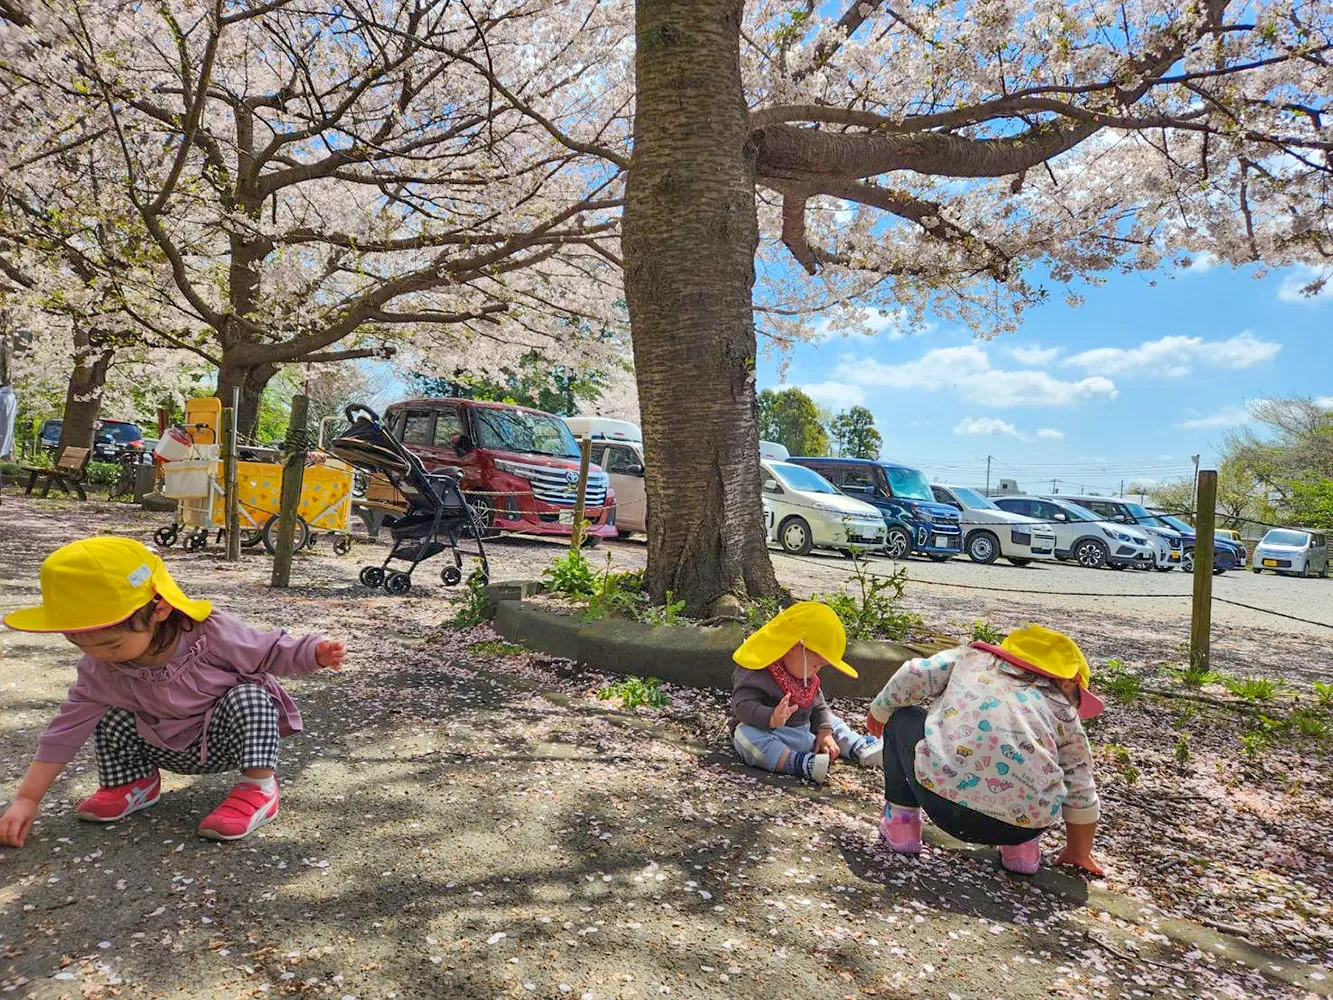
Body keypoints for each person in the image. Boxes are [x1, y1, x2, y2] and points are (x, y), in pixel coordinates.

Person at [0, 537, 344, 847]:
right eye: (81, 644)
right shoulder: (100, 668)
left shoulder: (210, 633)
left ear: (159, 610)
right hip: (160, 744)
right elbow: (65, 730)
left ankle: (259, 790)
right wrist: (27, 800)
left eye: (112, 644)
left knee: (251, 696)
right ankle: (133, 782)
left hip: (222, 742)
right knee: (102, 707)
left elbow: (267, 650)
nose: (100, 656)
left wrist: (313, 653)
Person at [866, 624, 1104, 876]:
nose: (1076, 708)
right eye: (1079, 698)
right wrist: (1079, 851)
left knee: (902, 716)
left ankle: (902, 823)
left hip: (941, 802)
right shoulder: (1064, 712)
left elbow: (913, 673)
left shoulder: (970, 659)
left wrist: (879, 710)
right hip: (1021, 826)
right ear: (1070, 681)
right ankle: (1021, 850)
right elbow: (1081, 786)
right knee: (1032, 764)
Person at [730, 601, 883, 785]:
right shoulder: (757, 670)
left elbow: (818, 705)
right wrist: (771, 717)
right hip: (774, 734)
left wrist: (825, 731)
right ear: (793, 646)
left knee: (830, 720)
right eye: (815, 664)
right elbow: (742, 705)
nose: (816, 671)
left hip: (808, 732)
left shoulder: (804, 674)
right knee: (745, 735)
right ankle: (797, 763)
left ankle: (858, 746)